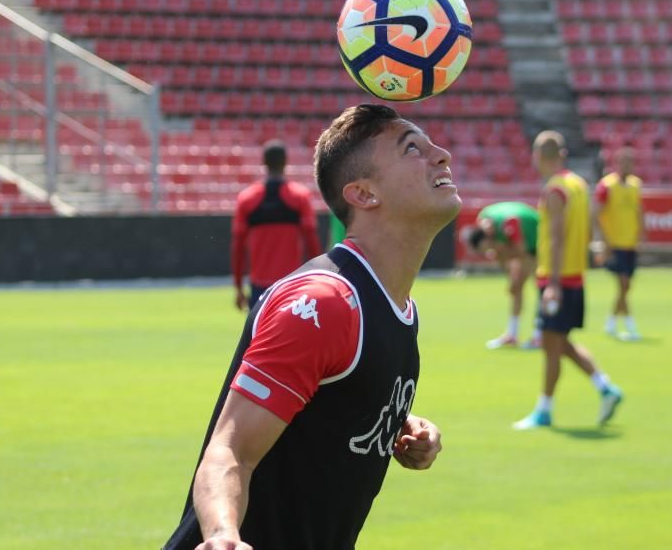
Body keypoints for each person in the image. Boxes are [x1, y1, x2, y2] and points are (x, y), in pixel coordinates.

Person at [164, 104, 458, 550]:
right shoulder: (326, 305)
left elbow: (330, 398)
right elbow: (230, 450)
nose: (442, 155)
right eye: (413, 148)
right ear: (363, 194)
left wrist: (397, 421)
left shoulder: (396, 305)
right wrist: (223, 534)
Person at [513, 131, 623, 430]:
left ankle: (544, 410)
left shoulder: (555, 190)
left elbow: (558, 238)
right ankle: (605, 387)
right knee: (560, 342)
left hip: (556, 279)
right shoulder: (577, 184)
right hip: (575, 275)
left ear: (538, 156)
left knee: (551, 346)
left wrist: (554, 285)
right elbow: (585, 228)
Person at [231, 140, 321, 310]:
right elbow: (312, 243)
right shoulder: (300, 197)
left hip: (259, 287)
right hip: (292, 284)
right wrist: (316, 280)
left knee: (260, 336)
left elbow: (238, 248)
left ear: (263, 162)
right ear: (286, 162)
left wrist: (238, 287)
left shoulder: (247, 199)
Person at [462, 201, 542, 349]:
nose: (488, 252)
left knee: (540, 287)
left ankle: (540, 336)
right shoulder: (485, 220)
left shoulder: (509, 223)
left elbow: (522, 251)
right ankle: (512, 334)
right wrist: (511, 278)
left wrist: (515, 280)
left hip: (538, 241)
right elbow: (501, 254)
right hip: (525, 246)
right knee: (516, 289)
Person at [592, 146, 644, 341]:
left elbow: (638, 210)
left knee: (626, 286)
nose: (628, 165)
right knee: (623, 284)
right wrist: (604, 241)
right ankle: (630, 325)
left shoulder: (635, 185)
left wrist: (641, 232)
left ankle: (611, 322)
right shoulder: (606, 186)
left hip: (630, 243)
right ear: (618, 163)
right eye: (625, 161)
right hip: (615, 244)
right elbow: (595, 214)